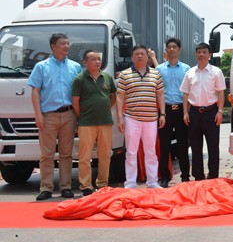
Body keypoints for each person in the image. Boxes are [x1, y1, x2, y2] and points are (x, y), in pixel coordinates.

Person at [28, 33, 82, 201]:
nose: (67, 46)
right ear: (53, 46)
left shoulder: (75, 67)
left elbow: (80, 93)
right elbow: (35, 91)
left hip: (69, 115)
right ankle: (46, 188)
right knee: (47, 154)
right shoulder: (41, 66)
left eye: (68, 43)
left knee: (67, 154)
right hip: (48, 116)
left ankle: (66, 187)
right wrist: (38, 115)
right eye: (62, 43)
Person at [116, 44, 166, 189]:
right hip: (132, 119)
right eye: (136, 54)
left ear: (147, 56)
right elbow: (120, 97)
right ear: (132, 57)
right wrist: (120, 118)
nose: (139, 56)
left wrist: (162, 114)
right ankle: (130, 183)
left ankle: (152, 182)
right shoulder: (125, 74)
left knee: (151, 152)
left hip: (151, 120)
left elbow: (160, 95)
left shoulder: (156, 74)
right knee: (131, 152)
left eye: (142, 54)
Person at [71, 50, 117, 196]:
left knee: (105, 154)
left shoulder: (107, 77)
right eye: (93, 59)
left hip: (105, 122)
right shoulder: (79, 79)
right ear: (85, 63)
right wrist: (83, 116)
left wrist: (103, 108)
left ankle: (103, 184)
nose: (97, 62)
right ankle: (85, 186)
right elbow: (75, 102)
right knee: (84, 156)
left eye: (99, 59)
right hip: (86, 123)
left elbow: (113, 97)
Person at [181, 43, 226, 180]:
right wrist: (185, 113)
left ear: (209, 55)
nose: (201, 54)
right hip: (194, 113)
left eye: (204, 52)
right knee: (195, 146)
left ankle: (213, 176)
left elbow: (221, 93)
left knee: (213, 146)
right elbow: (185, 94)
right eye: (199, 52)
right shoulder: (190, 73)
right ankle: (198, 176)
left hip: (211, 112)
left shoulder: (216, 72)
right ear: (196, 54)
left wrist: (220, 111)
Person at [156, 38, 191, 187]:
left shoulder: (186, 69)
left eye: (174, 47)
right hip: (165, 111)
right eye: (169, 47)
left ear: (179, 49)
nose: (171, 49)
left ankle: (185, 177)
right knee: (164, 146)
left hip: (181, 110)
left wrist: (187, 111)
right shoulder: (159, 69)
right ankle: (164, 177)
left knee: (183, 145)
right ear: (166, 50)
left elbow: (189, 91)